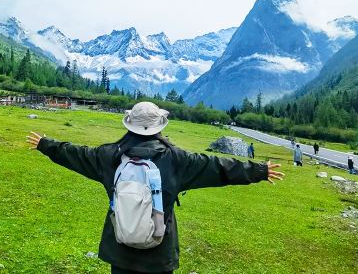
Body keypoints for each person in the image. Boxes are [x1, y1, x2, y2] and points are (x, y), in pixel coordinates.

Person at [27, 101, 284, 274]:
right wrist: (260, 171)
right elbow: (218, 167)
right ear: (160, 126)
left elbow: (75, 154)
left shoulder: (109, 156)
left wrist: (45, 144)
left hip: (120, 250)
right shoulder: (177, 160)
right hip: (159, 254)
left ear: (129, 124)